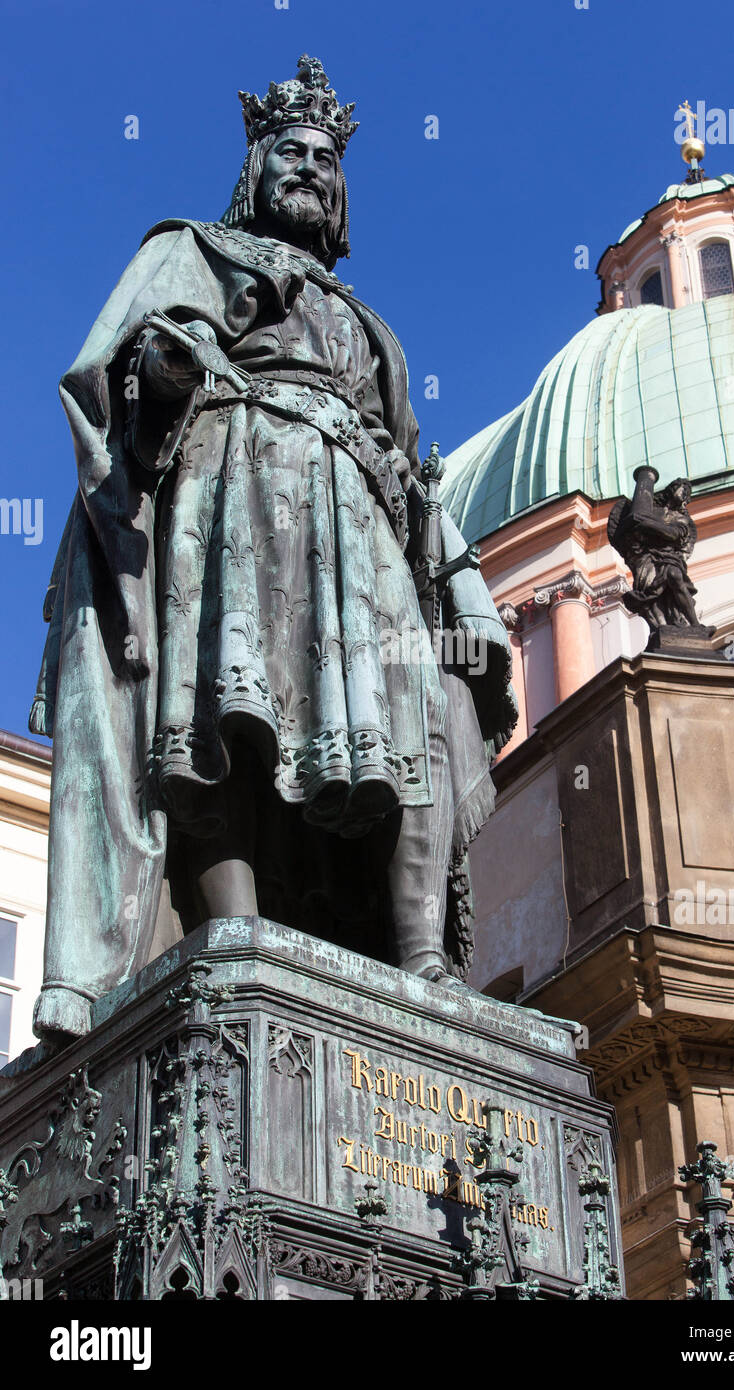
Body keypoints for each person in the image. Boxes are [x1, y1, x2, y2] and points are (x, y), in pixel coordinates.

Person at [30, 56, 516, 1042]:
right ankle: (236, 927)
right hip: (229, 487)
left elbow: (413, 469)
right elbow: (118, 375)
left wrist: (460, 590)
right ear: (254, 167)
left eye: (324, 158)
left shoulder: (372, 327)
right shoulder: (193, 250)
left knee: (413, 710)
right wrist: (159, 372)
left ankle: (420, 959)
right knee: (220, 712)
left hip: (363, 523)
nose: (307, 167)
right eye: (288, 151)